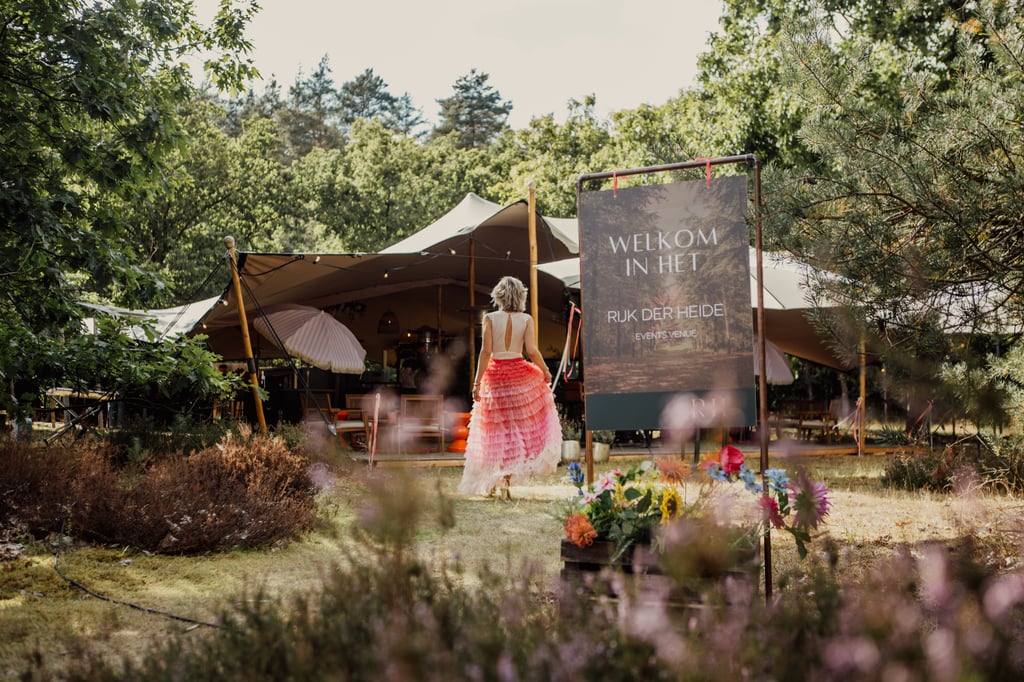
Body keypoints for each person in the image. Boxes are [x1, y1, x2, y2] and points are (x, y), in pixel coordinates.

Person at [458, 276, 561, 498]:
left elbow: (486, 352)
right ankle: (506, 481)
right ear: (521, 296)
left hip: (495, 376)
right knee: (516, 429)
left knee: (495, 430)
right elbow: (532, 351)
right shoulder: (526, 319)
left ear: (499, 295)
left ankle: (493, 481)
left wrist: (477, 383)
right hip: (518, 376)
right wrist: (545, 371)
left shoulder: (489, 318)